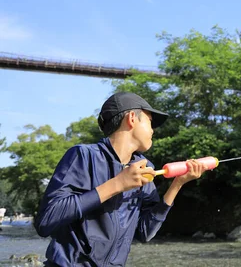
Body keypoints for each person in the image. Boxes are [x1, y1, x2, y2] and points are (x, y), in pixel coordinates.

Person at [34, 92, 205, 266]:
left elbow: (145, 232)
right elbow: (46, 221)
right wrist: (118, 184)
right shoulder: (83, 156)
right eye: (150, 122)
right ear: (132, 118)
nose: (153, 130)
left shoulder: (144, 168)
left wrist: (177, 185)